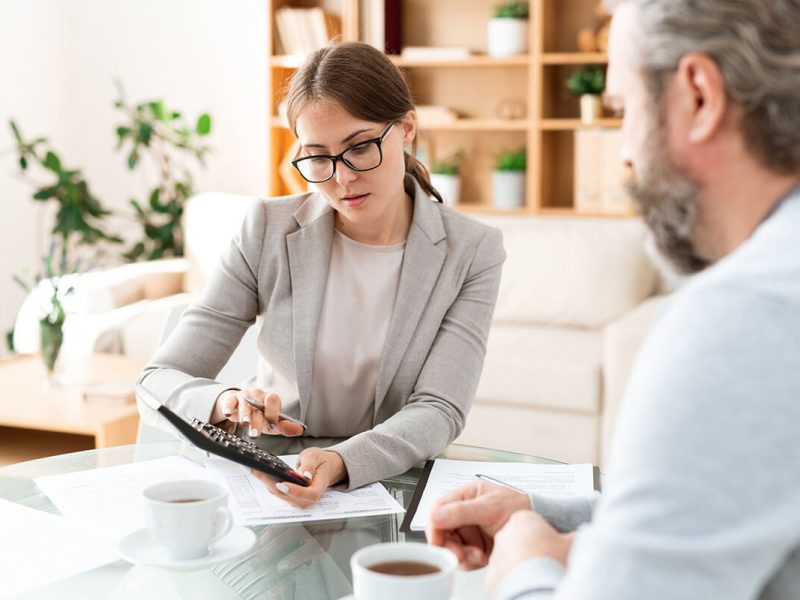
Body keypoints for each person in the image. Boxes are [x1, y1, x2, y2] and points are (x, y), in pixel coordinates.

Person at [427, 1, 800, 598]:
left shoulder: (742, 320)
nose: (623, 153)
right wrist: (544, 514)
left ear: (698, 96)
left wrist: (525, 561)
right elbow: (730, 512)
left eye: (623, 109)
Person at [137, 42, 505, 509]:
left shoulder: (472, 250)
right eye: (318, 157)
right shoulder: (265, 230)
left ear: (407, 128)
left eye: (360, 147)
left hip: (390, 484)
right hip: (274, 483)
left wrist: (341, 460)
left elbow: (440, 409)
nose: (341, 178)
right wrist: (223, 401)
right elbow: (156, 380)